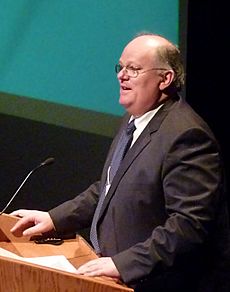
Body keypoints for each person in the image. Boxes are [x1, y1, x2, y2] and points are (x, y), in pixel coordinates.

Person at [10, 33, 229, 292]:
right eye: (121, 67)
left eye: (134, 69)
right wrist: (54, 219)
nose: (121, 75)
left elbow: (188, 226)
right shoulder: (133, 120)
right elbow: (109, 188)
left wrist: (123, 264)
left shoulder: (187, 136)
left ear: (165, 79)